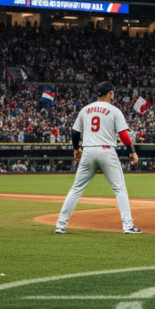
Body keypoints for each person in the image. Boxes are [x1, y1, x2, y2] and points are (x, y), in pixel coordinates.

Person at [54, 82, 141, 235]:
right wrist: (132, 151)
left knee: (75, 189)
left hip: (88, 151)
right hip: (107, 151)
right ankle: (128, 226)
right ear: (110, 93)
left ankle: (60, 225)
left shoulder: (86, 109)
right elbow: (123, 135)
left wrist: (76, 149)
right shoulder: (114, 110)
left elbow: (74, 132)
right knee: (119, 189)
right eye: (113, 93)